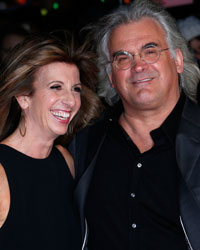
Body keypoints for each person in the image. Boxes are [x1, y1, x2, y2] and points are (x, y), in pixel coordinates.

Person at [69, 0, 200, 249]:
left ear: (178, 61)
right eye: (122, 58)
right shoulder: (84, 145)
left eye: (150, 51)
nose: (139, 66)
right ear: (111, 77)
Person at [0, 34, 101, 250]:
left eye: (76, 89)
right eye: (56, 87)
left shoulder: (65, 160)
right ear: (23, 96)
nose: (70, 100)